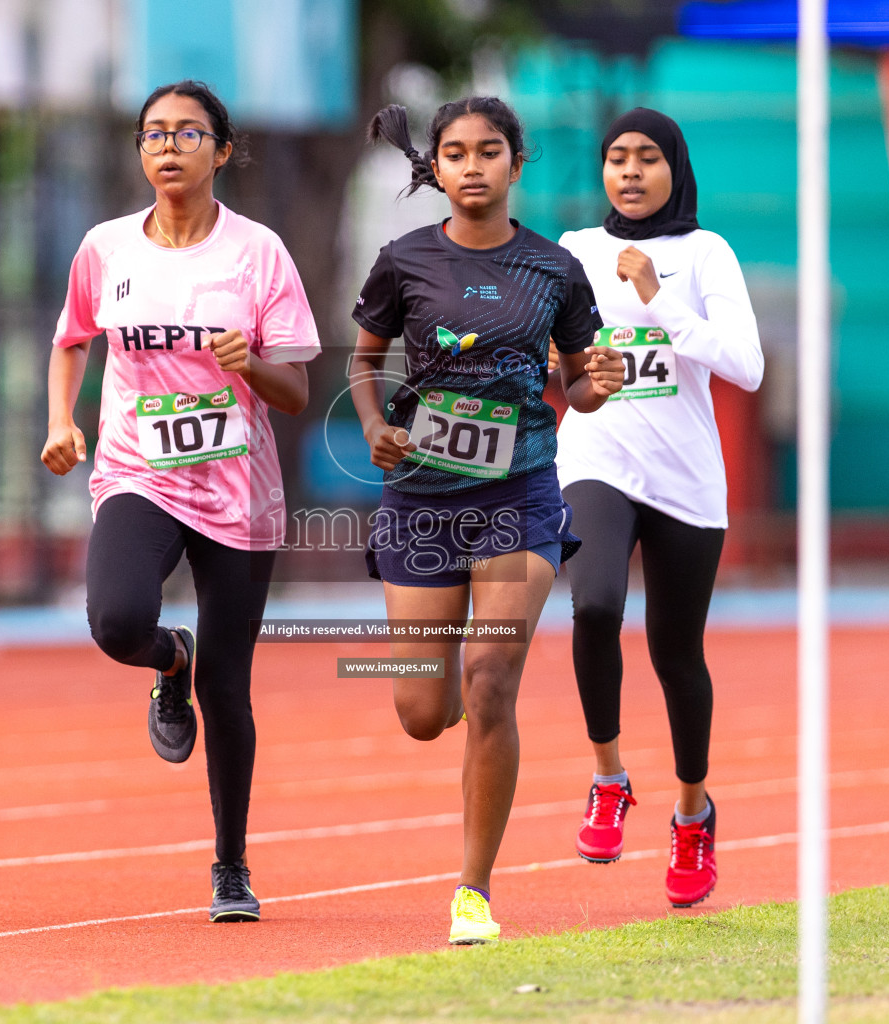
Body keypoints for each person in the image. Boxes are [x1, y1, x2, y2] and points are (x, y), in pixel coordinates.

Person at [40, 80, 320, 924]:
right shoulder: (106, 249)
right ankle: (170, 660)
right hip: (138, 471)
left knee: (230, 692)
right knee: (117, 620)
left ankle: (230, 864)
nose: (168, 147)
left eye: (188, 133)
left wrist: (251, 364)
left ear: (221, 151)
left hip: (236, 488)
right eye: (153, 134)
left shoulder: (258, 254)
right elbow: (71, 341)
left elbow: (298, 390)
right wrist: (61, 420)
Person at [348, 98, 622, 944]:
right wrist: (376, 430)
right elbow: (363, 362)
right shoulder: (403, 261)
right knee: (422, 713)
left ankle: (474, 891)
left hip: (520, 496)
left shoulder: (553, 268)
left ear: (516, 163)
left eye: (490, 151)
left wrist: (594, 388)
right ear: (435, 167)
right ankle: (457, 702)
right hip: (423, 501)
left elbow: (577, 382)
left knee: (492, 680)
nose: (473, 166)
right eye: (456, 153)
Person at [552, 108, 763, 908]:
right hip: (597, 457)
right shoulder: (576, 251)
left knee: (678, 653)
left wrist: (659, 302)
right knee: (596, 606)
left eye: (646, 158)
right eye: (616, 158)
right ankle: (609, 776)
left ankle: (691, 811)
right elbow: (550, 346)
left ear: (675, 167)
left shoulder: (705, 254)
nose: (630, 171)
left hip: (685, 479)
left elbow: (745, 366)